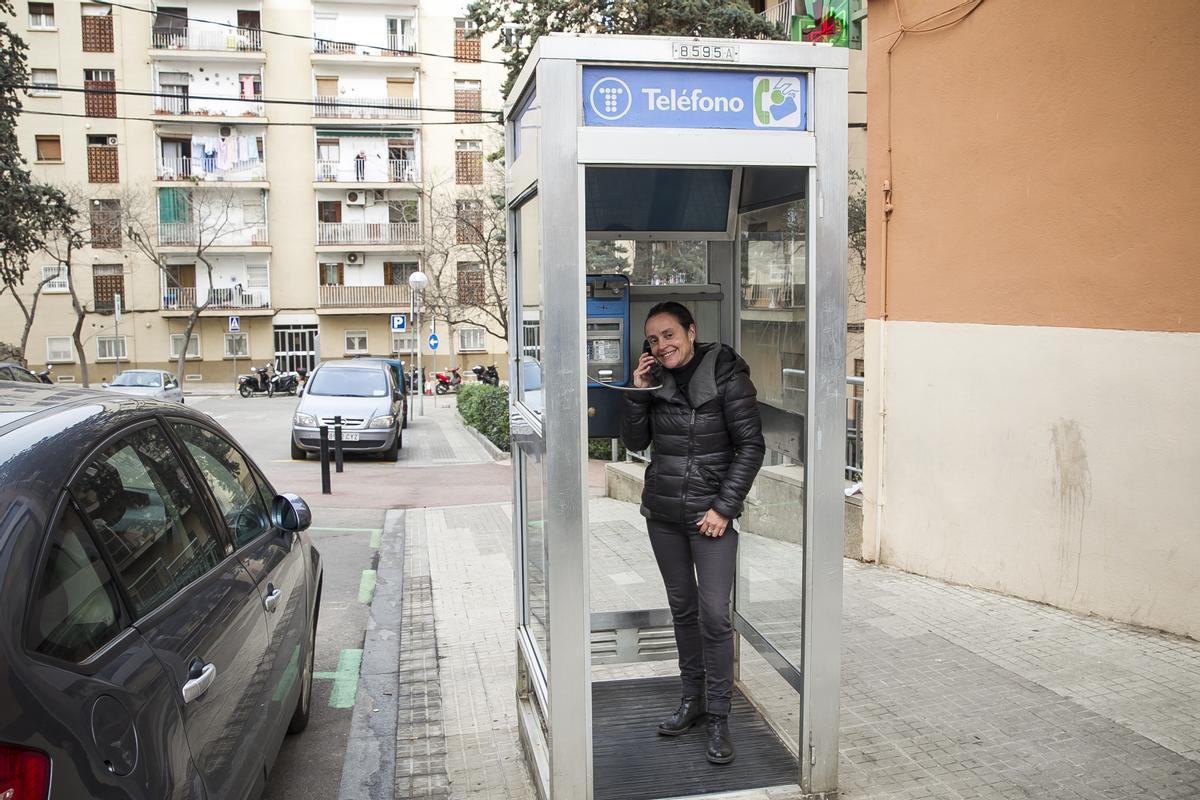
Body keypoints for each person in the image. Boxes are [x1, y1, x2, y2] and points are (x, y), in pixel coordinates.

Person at [620, 301, 765, 766]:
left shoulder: (727, 376)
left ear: (691, 331)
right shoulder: (654, 379)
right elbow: (635, 442)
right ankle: (693, 700)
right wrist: (638, 391)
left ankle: (720, 716)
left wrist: (725, 507)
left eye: (669, 335)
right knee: (683, 611)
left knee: (714, 617)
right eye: (653, 340)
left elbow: (751, 446)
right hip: (663, 515)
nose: (662, 346)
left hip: (710, 519)